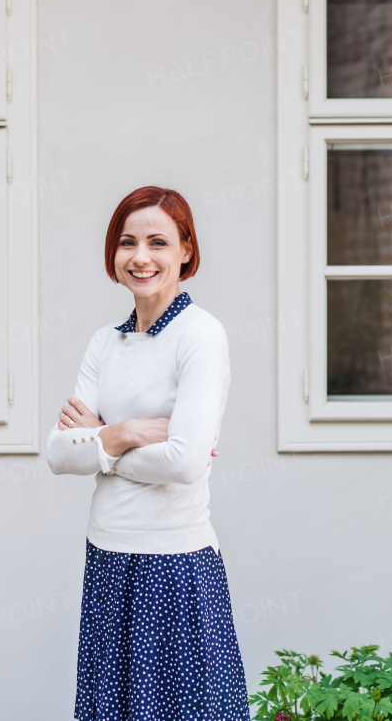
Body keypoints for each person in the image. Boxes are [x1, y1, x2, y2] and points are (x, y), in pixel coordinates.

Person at [47, 186, 249, 721]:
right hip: (108, 557)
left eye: (158, 242)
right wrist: (129, 431)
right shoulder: (103, 343)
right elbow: (57, 453)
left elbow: (184, 463)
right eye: (127, 242)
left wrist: (100, 441)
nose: (140, 257)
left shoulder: (200, 336)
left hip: (175, 565)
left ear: (186, 250)